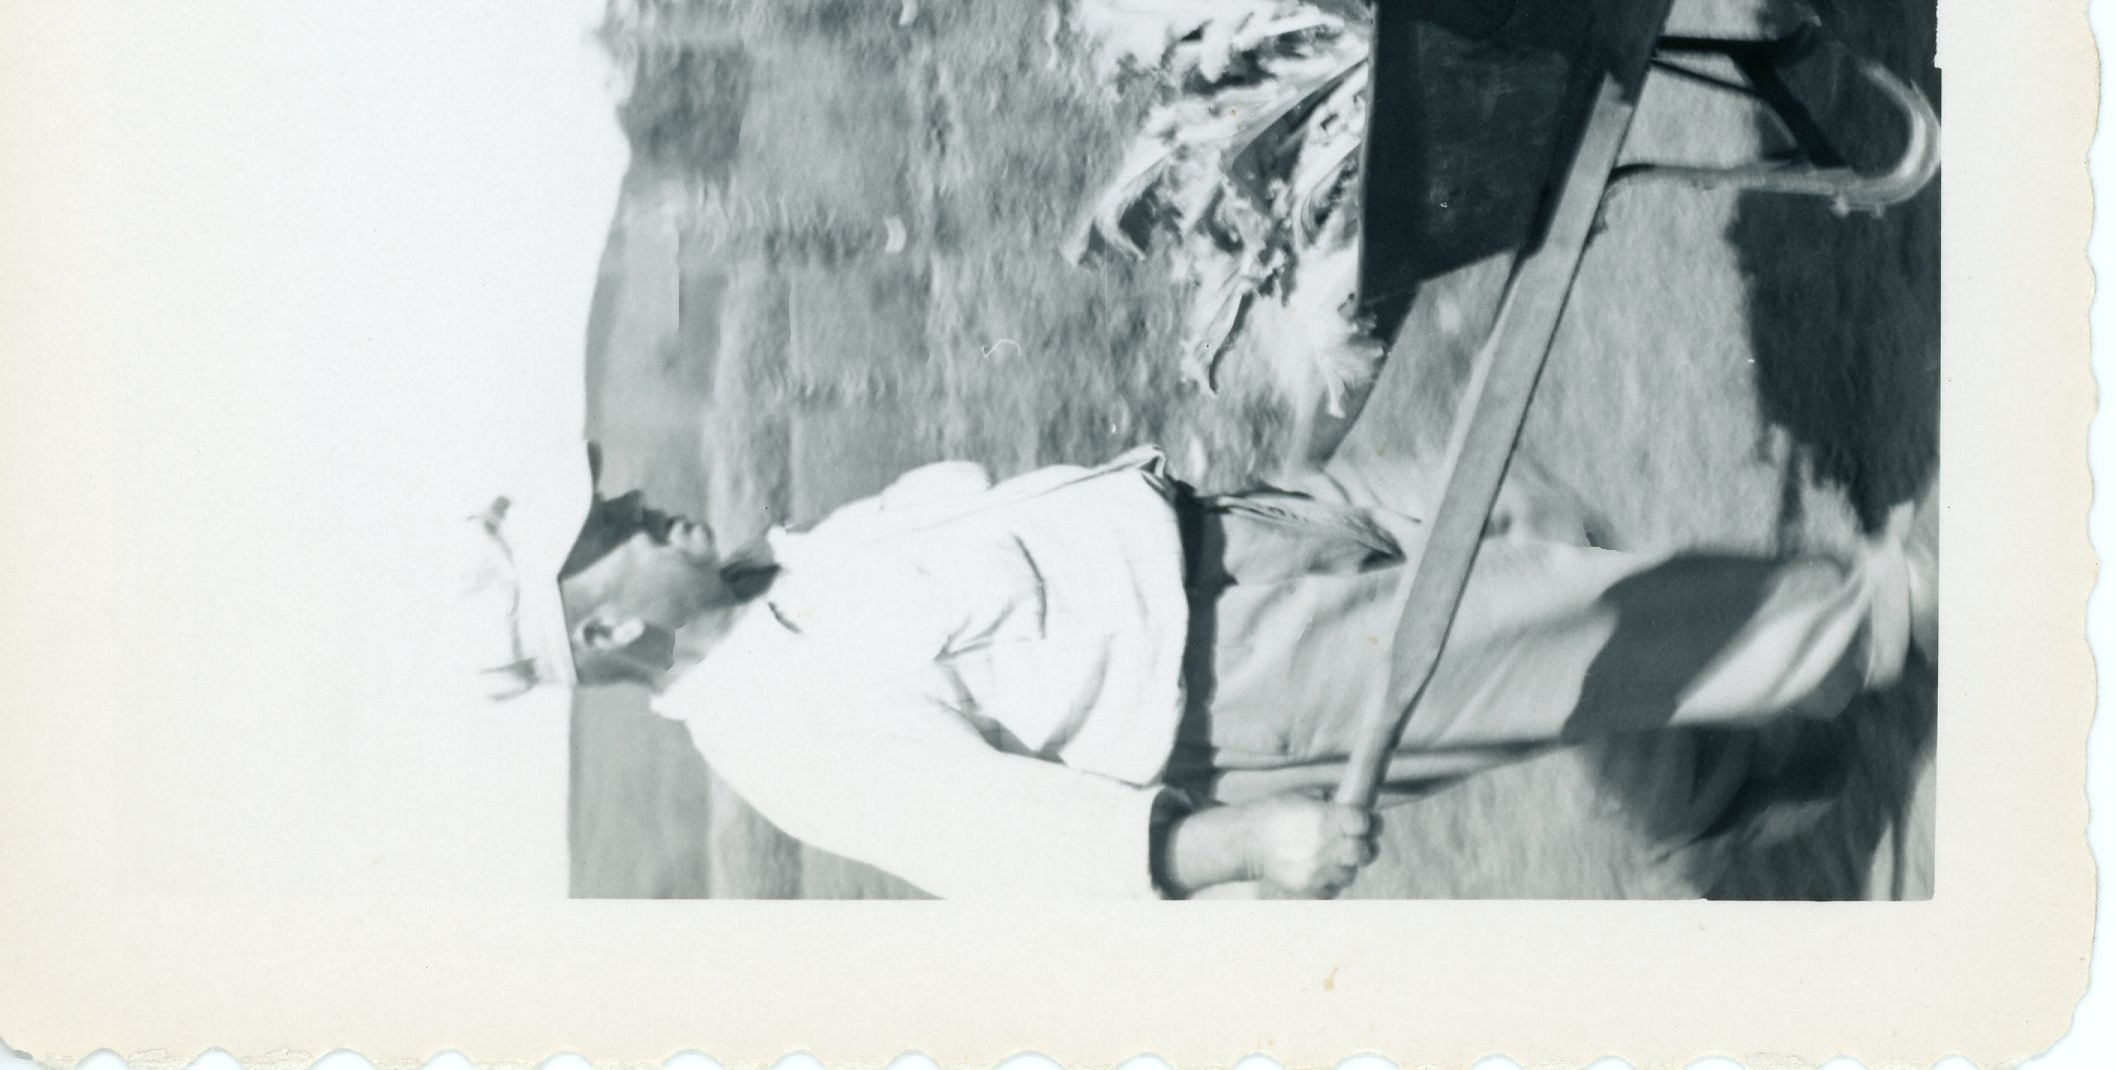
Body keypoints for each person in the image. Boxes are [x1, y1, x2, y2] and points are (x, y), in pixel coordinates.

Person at [464, 431, 1936, 900]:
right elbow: (1012, 841)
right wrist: (1255, 842)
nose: (640, 497)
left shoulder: (784, 563)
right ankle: (1897, 608)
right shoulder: (781, 732)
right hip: (1236, 679)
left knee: (1520, 507)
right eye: (608, 528)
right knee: (1566, 622)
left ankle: (1705, 792)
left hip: (1240, 531)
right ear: (603, 632)